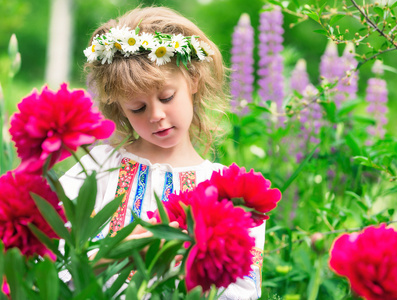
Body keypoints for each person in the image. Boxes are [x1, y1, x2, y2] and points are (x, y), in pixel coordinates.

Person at [60, 6, 265, 299]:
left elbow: (245, 289)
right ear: (119, 108)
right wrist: (110, 256)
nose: (156, 115)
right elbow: (45, 266)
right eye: (138, 108)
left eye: (167, 97)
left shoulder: (227, 188)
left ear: (194, 80)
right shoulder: (97, 168)